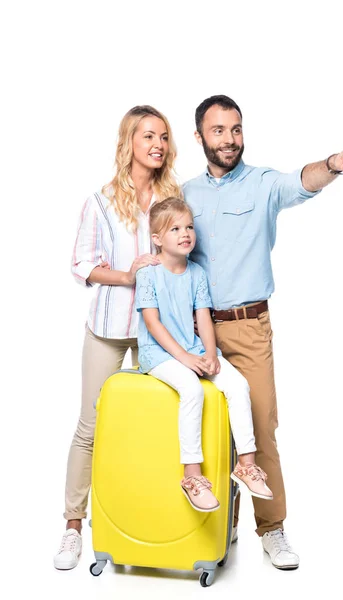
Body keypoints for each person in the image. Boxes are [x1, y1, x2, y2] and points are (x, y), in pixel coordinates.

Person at [183, 95, 343, 569]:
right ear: (200, 136)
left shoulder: (262, 184)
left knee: (260, 429)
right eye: (219, 130)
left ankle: (273, 529)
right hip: (195, 331)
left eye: (236, 129)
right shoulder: (186, 194)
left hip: (248, 330)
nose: (230, 139)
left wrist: (334, 164)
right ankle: (217, 525)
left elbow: (302, 182)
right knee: (203, 432)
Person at [54, 105, 181, 570]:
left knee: (157, 429)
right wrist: (127, 276)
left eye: (164, 137)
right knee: (90, 429)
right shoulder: (102, 201)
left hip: (158, 331)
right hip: (110, 329)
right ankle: (72, 527)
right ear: (129, 141)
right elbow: (81, 265)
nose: (158, 145)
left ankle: (147, 522)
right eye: (149, 135)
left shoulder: (173, 198)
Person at [135, 197, 273, 512]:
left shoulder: (196, 273)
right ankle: (192, 476)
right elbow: (152, 322)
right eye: (175, 229)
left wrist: (210, 353)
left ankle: (247, 465)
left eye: (189, 227)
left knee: (238, 385)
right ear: (157, 239)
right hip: (159, 354)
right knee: (191, 388)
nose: (185, 234)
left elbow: (203, 318)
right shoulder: (149, 274)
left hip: (194, 349)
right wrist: (185, 358)